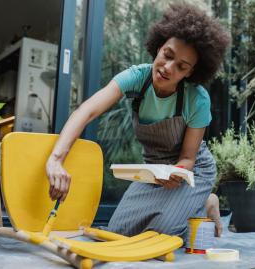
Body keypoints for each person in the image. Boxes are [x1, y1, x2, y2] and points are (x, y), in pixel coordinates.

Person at [45, 3, 229, 238]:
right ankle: (189, 205)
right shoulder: (137, 78)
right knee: (118, 232)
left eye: (181, 66)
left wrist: (177, 172)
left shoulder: (197, 99)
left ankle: (205, 201)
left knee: (163, 233)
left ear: (190, 72)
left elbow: (188, 157)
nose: (168, 68)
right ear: (159, 46)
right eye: (167, 55)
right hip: (152, 169)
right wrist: (56, 159)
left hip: (190, 172)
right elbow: (86, 111)